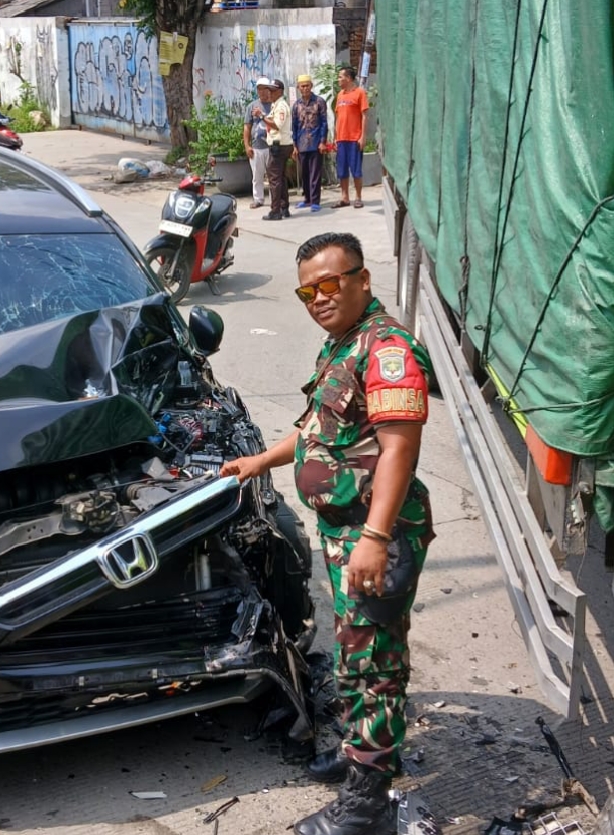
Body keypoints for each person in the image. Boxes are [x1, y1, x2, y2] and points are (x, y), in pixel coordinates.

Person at [221, 232, 434, 835]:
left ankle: (368, 805)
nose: (317, 298)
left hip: (376, 536)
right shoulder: (342, 346)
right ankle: (361, 752)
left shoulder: (386, 348)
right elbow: (318, 431)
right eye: (306, 290)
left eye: (329, 284)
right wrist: (260, 461)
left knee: (374, 664)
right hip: (348, 534)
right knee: (354, 654)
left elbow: (399, 450)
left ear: (363, 280)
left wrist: (374, 535)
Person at [332, 66, 369, 210]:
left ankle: (358, 197)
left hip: (354, 138)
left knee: (356, 170)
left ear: (348, 78)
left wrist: (362, 136)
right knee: (342, 171)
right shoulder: (340, 95)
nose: (338, 79)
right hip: (341, 139)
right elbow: (338, 117)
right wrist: (336, 137)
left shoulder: (359, 93)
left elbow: (365, 116)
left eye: (341, 77)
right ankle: (344, 197)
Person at [291, 74, 328, 212]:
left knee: (315, 173)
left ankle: (315, 200)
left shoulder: (319, 102)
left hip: (316, 142)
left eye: (307, 85)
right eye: (302, 86)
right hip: (301, 144)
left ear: (311, 86)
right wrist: (294, 145)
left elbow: (324, 123)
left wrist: (323, 141)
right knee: (305, 173)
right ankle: (307, 199)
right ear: (299, 88)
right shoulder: (296, 105)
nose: (305, 88)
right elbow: (294, 126)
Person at [261, 78, 293, 221]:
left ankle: (275, 211)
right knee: (281, 178)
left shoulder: (280, 106)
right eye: (269, 90)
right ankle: (283, 206)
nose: (270, 93)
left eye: (272, 90)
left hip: (278, 145)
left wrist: (261, 116)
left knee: (274, 179)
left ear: (279, 91)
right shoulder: (277, 105)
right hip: (282, 144)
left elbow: (276, 125)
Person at [244, 77, 272, 210]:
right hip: (257, 147)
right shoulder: (252, 106)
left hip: (272, 146)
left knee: (273, 175)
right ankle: (258, 199)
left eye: (264, 88)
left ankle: (275, 199)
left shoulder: (274, 105)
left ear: (269, 90)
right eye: (259, 88)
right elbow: (247, 127)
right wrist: (247, 145)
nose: (261, 91)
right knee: (257, 175)